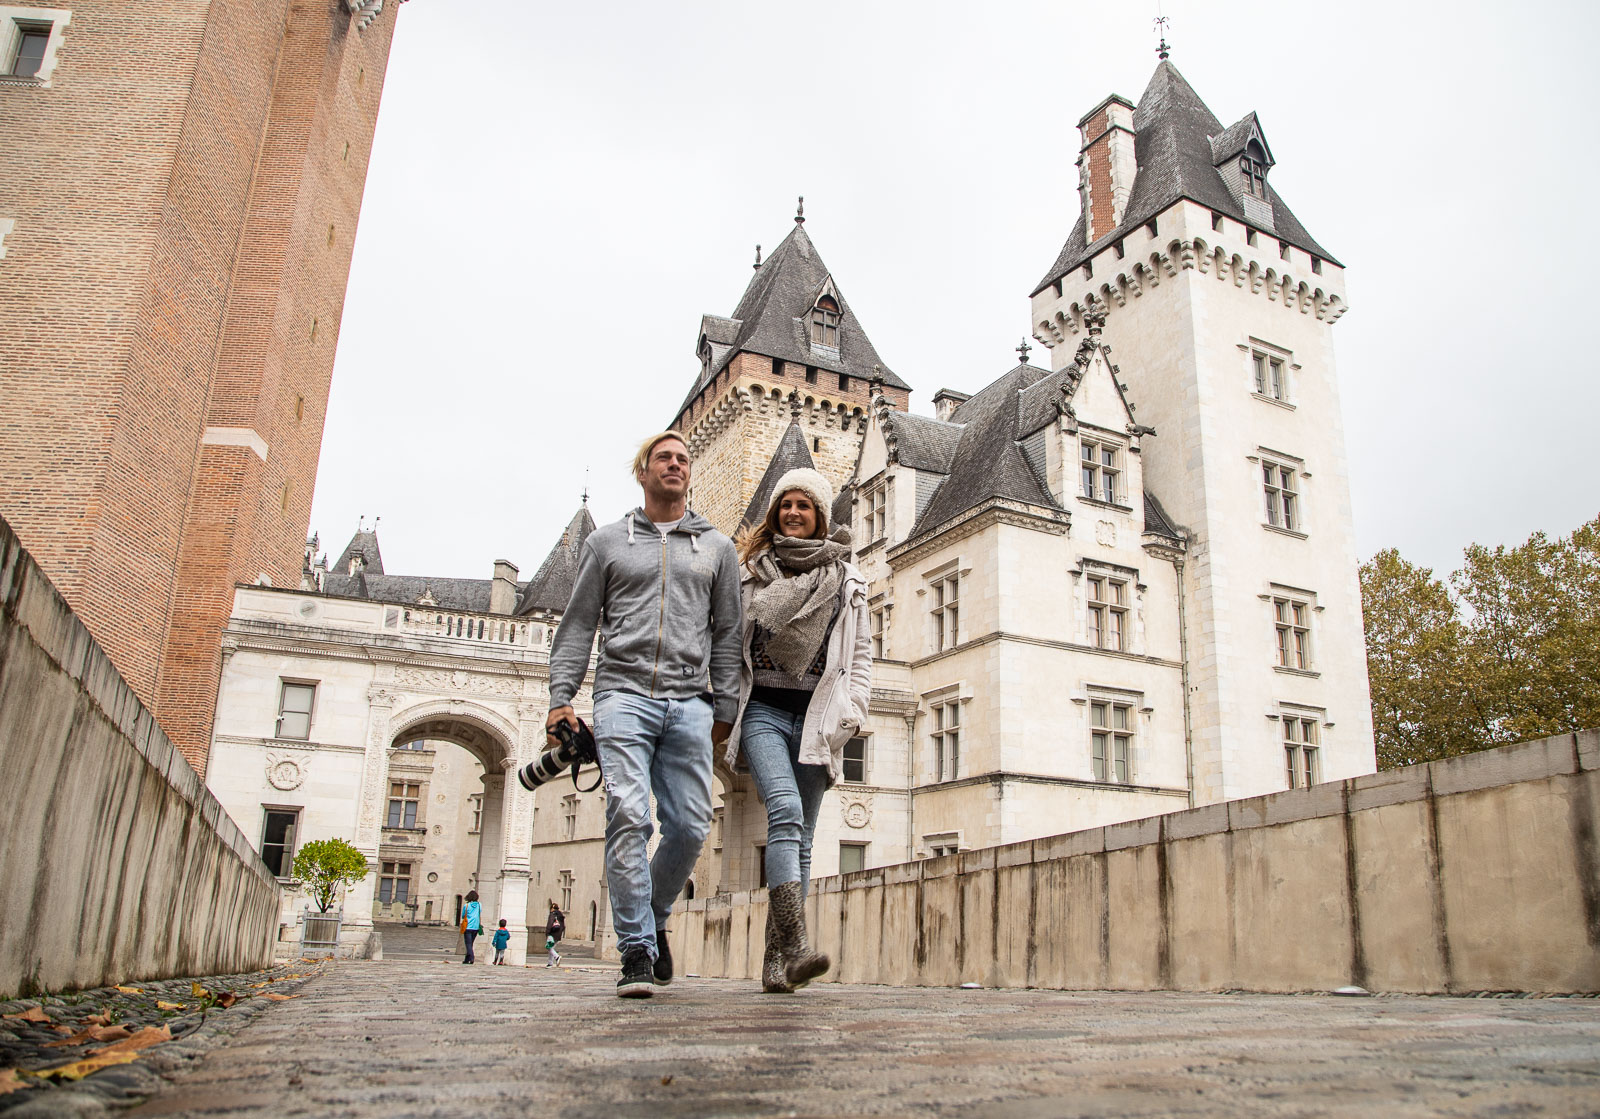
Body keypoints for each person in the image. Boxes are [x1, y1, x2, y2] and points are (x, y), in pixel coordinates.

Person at [545, 431, 741, 998]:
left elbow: (728, 632)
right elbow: (578, 624)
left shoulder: (717, 548)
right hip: (622, 694)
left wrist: (725, 707)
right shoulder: (607, 543)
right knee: (629, 813)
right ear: (643, 472)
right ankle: (635, 948)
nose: (675, 465)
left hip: (690, 700)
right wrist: (561, 696)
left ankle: (652, 915)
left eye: (683, 459)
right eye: (664, 458)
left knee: (692, 825)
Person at [729, 469, 871, 993]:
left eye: (803, 505)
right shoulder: (751, 575)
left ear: (820, 517)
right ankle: (796, 948)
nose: (793, 512)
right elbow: (728, 646)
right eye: (785, 504)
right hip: (763, 712)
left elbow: (860, 655)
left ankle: (777, 964)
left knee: (803, 840)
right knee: (785, 813)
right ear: (774, 513)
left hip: (818, 719)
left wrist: (855, 709)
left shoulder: (847, 580)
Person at [461, 890, 482, 965]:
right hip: (476, 927)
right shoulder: (479, 905)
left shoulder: (466, 905)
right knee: (470, 943)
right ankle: (467, 959)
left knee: (468, 944)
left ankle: (471, 957)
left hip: (468, 926)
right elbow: (480, 912)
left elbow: (463, 916)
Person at [544, 902, 566, 968]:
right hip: (558, 934)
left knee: (548, 947)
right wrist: (560, 932)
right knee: (552, 948)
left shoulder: (552, 914)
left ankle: (557, 957)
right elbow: (563, 926)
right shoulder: (560, 915)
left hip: (552, 933)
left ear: (552, 908)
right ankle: (550, 963)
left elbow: (550, 924)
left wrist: (547, 933)